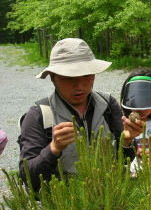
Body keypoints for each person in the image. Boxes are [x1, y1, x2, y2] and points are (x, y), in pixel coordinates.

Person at [18, 38, 139, 192]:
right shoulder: (39, 115)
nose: (80, 86)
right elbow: (27, 177)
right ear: (52, 77)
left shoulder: (107, 104)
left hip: (108, 198)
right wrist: (54, 148)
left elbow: (122, 160)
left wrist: (127, 142)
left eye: (87, 75)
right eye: (70, 78)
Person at [120, 69, 151, 172]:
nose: (142, 108)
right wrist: (126, 141)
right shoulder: (124, 121)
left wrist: (150, 158)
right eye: (135, 101)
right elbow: (120, 157)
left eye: (147, 100)